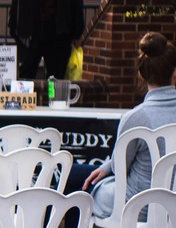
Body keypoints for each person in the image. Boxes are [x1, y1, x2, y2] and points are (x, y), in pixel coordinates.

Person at [68, 32, 176, 218]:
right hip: (170, 205)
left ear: (141, 73)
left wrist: (108, 166)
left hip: (136, 205)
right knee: (83, 178)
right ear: (174, 72)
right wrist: (107, 167)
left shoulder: (136, 117)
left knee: (74, 181)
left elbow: (120, 167)